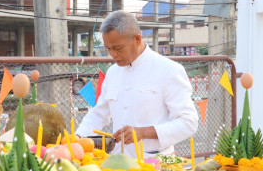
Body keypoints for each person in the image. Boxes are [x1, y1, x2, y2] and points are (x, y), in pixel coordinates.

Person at [75, 10, 198, 159]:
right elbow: (99, 114)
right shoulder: (113, 73)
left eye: (118, 48)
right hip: (117, 161)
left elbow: (188, 122)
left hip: (154, 163)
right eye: (108, 49)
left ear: (137, 39)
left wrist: (143, 132)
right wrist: (78, 138)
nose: (112, 54)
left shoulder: (169, 70)